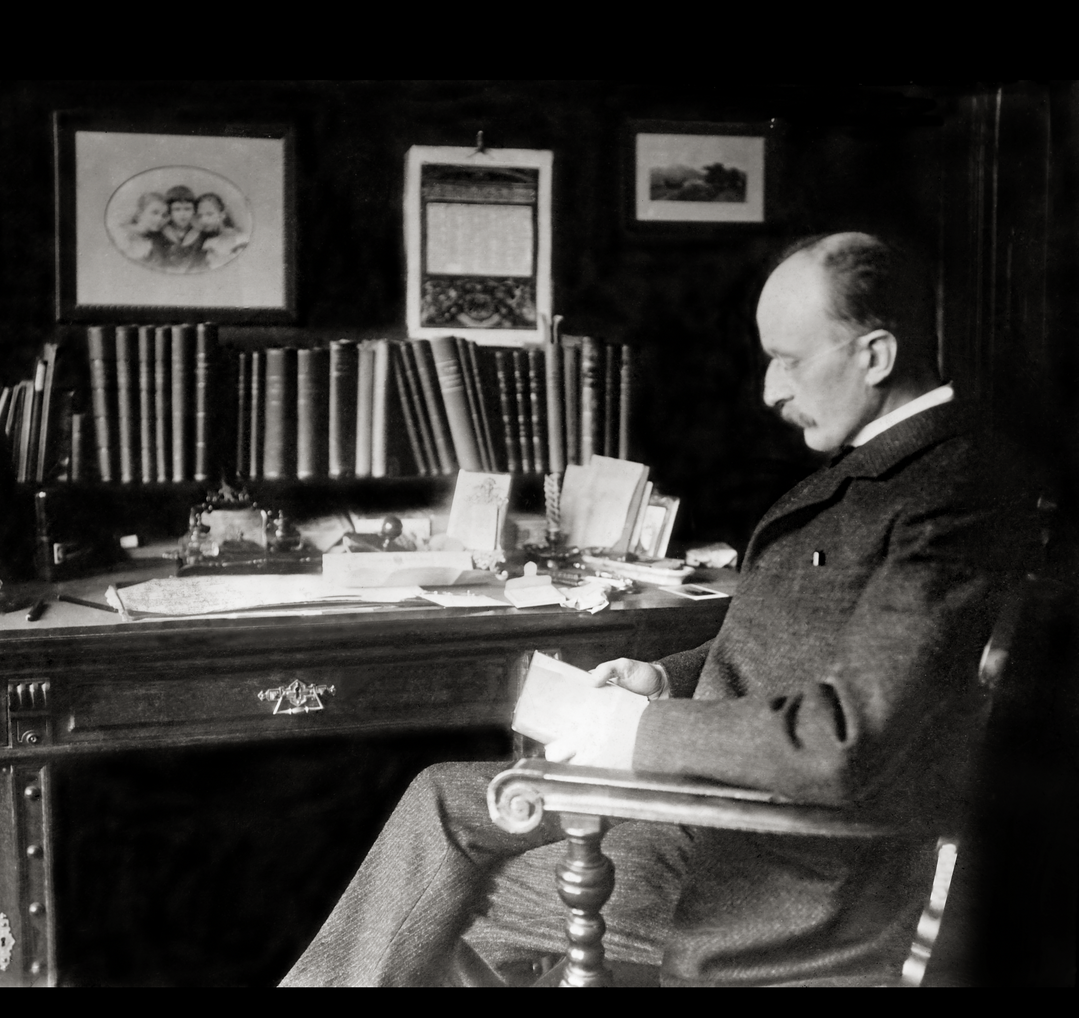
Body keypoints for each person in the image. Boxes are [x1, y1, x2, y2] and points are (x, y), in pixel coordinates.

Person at [280, 232, 1034, 987]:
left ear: (875, 355)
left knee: (440, 892)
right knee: (441, 800)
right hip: (725, 811)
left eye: (791, 360)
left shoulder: (949, 496)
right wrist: (663, 681)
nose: (771, 389)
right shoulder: (884, 470)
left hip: (787, 871)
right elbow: (794, 645)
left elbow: (848, 739)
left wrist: (632, 732)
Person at [109, 191, 169, 267]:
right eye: (155, 213)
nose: (160, 219)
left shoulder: (149, 241)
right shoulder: (120, 233)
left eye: (164, 215)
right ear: (139, 214)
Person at [192, 192, 249, 270]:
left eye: (209, 214)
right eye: (200, 216)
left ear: (222, 215)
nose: (203, 220)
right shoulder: (208, 243)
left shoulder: (242, 239)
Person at [159, 185, 203, 272]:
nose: (183, 214)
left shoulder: (200, 234)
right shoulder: (160, 233)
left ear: (194, 211)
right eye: (177, 209)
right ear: (169, 212)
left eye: (187, 209)